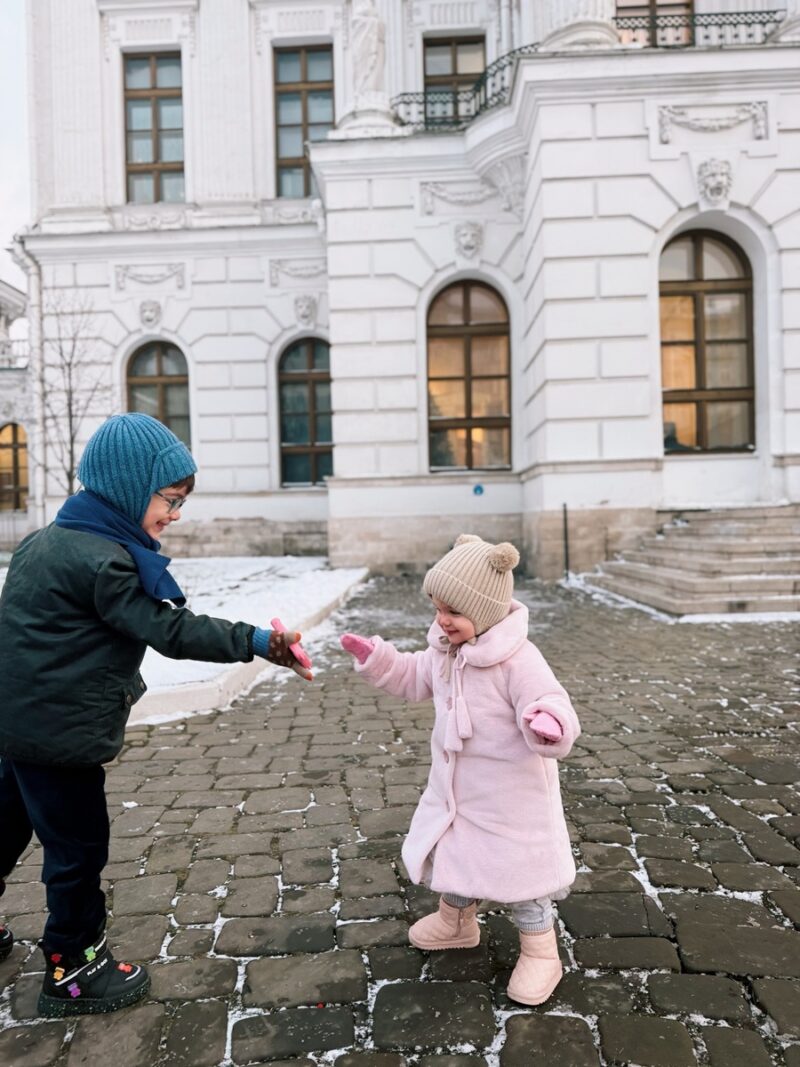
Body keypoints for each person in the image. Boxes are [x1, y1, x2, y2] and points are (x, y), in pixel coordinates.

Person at [0, 413, 312, 1018]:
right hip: (61, 739)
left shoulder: (42, 542)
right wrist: (254, 640)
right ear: (124, 487)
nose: (174, 514)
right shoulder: (104, 561)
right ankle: (73, 967)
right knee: (77, 849)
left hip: (16, 726)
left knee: (7, 826)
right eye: (169, 499)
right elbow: (167, 628)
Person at [340, 534, 580, 1005]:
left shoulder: (518, 660)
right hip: (457, 789)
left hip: (511, 797)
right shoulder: (444, 653)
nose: (440, 620)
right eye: (436, 608)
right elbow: (412, 677)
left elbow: (549, 699)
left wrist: (549, 723)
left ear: (486, 610)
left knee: (520, 876)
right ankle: (456, 922)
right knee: (456, 854)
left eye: (452, 611)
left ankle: (540, 951)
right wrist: (378, 659)